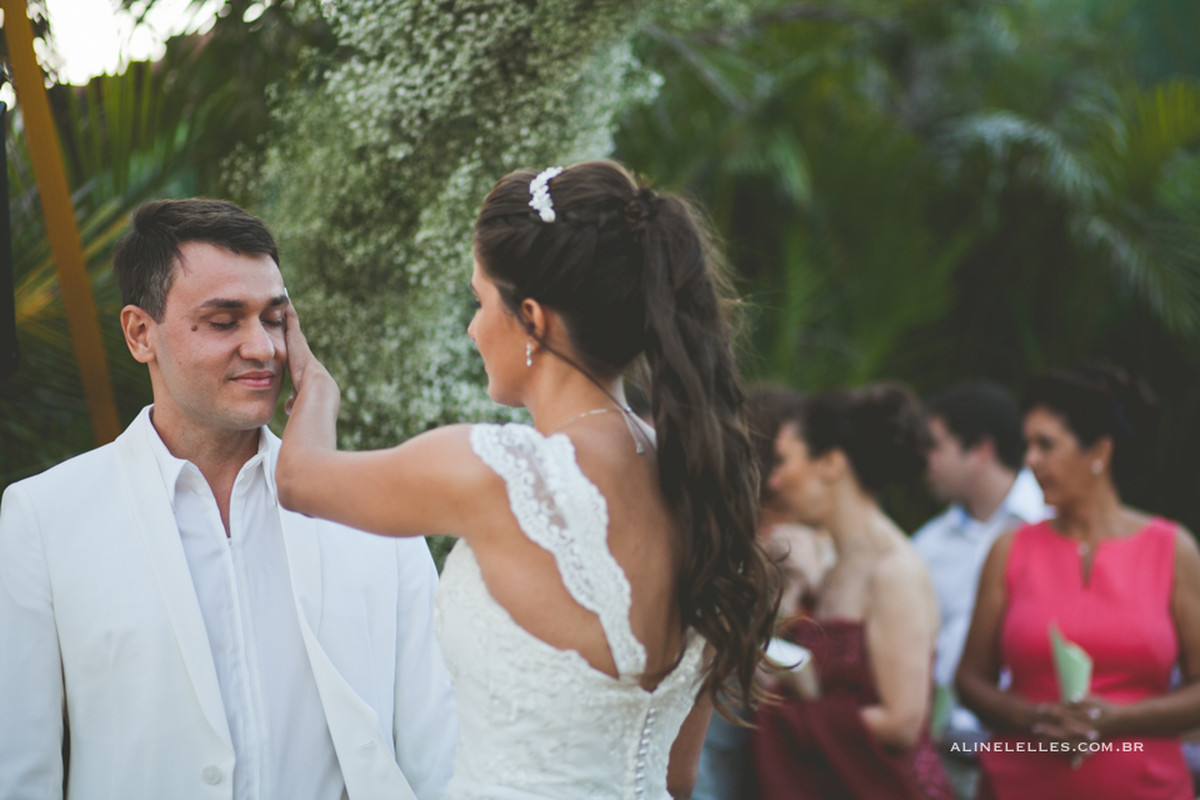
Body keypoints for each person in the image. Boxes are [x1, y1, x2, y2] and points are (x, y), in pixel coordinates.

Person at [275, 161, 779, 800]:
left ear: (533, 319)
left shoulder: (495, 471)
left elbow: (298, 479)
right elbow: (679, 778)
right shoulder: (699, 479)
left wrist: (317, 387)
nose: (472, 327)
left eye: (480, 300)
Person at [0, 199, 457, 800]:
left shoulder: (372, 509)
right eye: (224, 321)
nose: (264, 348)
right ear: (141, 334)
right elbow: (20, 770)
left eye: (274, 318)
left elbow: (439, 752)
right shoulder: (43, 516)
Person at [956, 364, 1200, 800]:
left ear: (1099, 452)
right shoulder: (1010, 550)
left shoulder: (1172, 548)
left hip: (1146, 788)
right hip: (1019, 785)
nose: (1030, 460)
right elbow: (971, 680)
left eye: (1045, 445)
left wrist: (1118, 720)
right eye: (1027, 445)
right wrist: (1033, 715)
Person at [751, 383, 954, 800]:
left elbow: (902, 721)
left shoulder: (895, 571)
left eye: (784, 461)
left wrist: (794, 713)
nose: (773, 481)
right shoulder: (835, 565)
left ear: (830, 464)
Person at [913, 381, 1048, 798]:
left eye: (936, 446)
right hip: (943, 753)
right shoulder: (927, 545)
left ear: (981, 451)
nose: (926, 460)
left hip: (1039, 751)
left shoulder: (1053, 527)